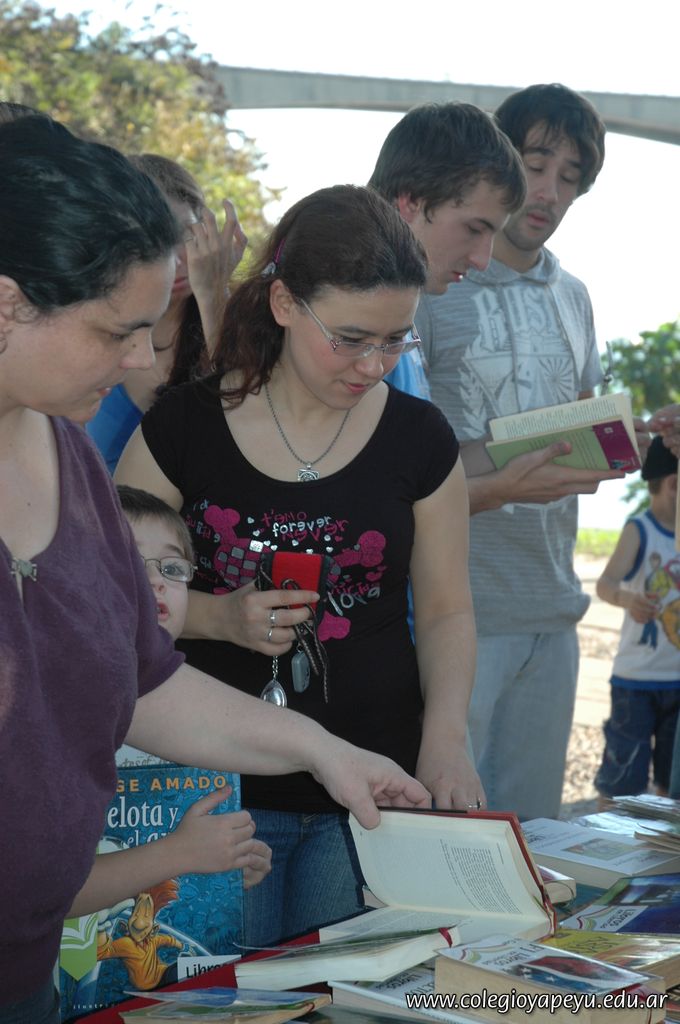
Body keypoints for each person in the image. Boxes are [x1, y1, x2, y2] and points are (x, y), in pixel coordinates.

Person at [0, 116, 429, 1024]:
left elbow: (146, 682)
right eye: (118, 331)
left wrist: (328, 754)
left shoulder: (73, 463)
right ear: (8, 304)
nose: (141, 361)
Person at [115, 183, 481, 945]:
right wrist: (217, 615)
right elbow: (113, 601)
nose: (374, 365)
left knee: (344, 989)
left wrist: (447, 736)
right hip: (211, 800)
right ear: (284, 304)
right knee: (224, 991)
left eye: (397, 340)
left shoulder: (421, 439)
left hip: (373, 792)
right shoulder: (182, 427)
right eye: (350, 339)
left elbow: (446, 607)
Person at [415, 83, 627, 821]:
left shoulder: (576, 296)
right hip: (455, 612)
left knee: (535, 838)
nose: (550, 192)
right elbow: (399, 467)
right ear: (500, 165)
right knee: (449, 837)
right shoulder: (433, 284)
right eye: (536, 166)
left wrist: (631, 437)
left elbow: (584, 439)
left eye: (571, 177)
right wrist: (502, 479)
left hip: (555, 611)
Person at [69, 484, 272, 924]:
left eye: (173, 567)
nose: (156, 580)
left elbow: (187, 882)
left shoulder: (210, 718)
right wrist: (181, 853)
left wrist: (226, 866)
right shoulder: (55, 714)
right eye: (127, 560)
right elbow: (43, 890)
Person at [87, 153, 247, 472]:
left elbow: (252, 418)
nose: (173, 259)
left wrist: (214, 296)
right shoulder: (81, 327)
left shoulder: (248, 321)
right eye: (151, 239)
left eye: (184, 236)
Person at [368, 101, 527, 400]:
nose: (482, 261)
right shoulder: (354, 317)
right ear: (411, 201)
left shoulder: (388, 311)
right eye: (474, 229)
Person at [594, 437, 680, 803]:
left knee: (672, 788)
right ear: (671, 484)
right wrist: (627, 599)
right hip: (636, 682)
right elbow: (605, 584)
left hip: (677, 681)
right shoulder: (640, 530)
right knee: (622, 783)